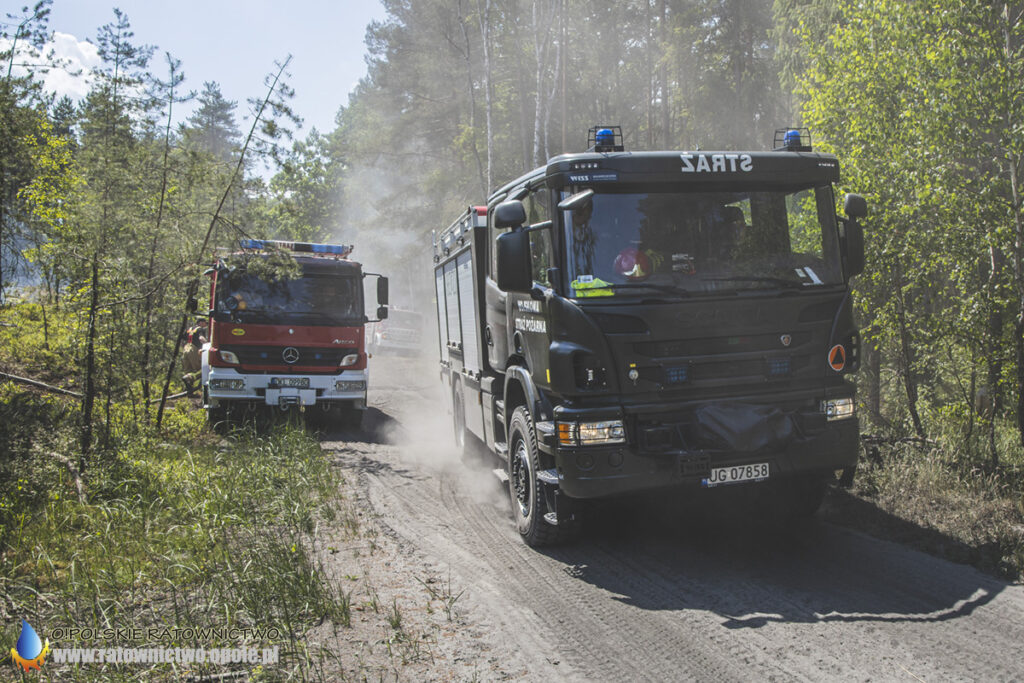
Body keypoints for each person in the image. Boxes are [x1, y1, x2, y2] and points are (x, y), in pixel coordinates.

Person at [181, 321, 208, 396]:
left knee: (188, 371)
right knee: (203, 369)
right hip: (193, 349)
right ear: (200, 323)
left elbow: (183, 337)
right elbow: (201, 338)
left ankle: (190, 392)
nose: (206, 325)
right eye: (205, 323)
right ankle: (192, 379)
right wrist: (208, 344)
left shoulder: (189, 329)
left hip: (186, 349)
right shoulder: (200, 329)